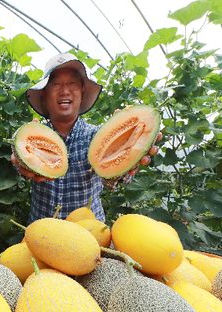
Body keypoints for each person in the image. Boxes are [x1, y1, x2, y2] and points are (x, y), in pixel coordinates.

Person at [12, 53, 161, 224]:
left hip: (90, 236)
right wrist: (19, 153)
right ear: (44, 95)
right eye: (56, 84)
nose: (65, 90)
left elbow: (117, 179)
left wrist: (131, 151)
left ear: (82, 93)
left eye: (72, 84)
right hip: (42, 236)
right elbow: (20, 161)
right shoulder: (31, 134)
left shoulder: (96, 135)